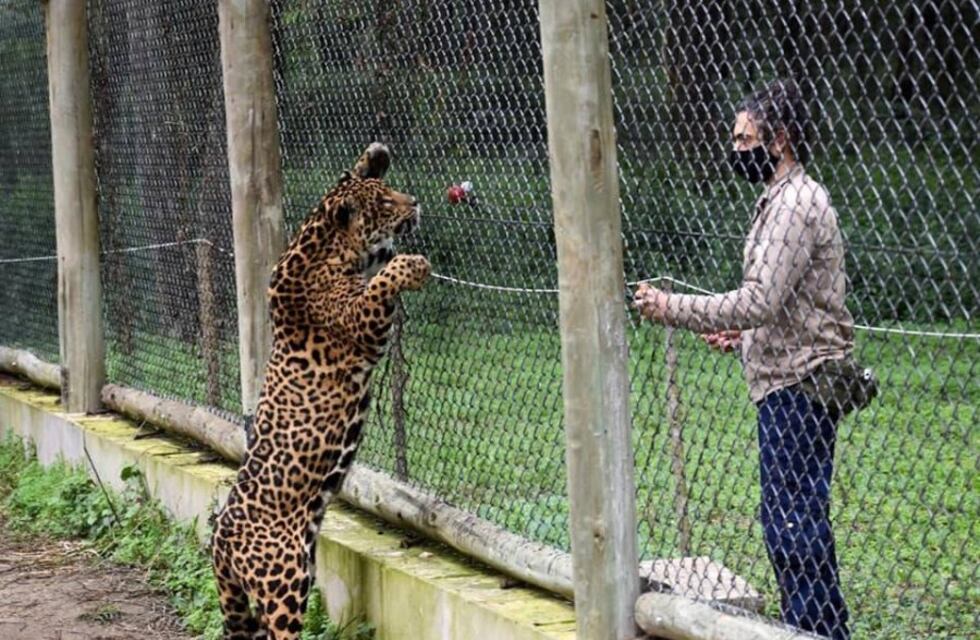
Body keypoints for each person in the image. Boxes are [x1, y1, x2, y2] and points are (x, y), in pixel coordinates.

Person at [634, 79, 852, 640]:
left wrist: (670, 306)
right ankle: (811, 626)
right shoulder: (780, 199)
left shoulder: (795, 204)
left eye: (745, 138)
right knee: (789, 521)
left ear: (779, 139)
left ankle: (817, 631)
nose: (736, 149)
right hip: (786, 378)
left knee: (792, 524)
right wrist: (744, 334)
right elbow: (780, 302)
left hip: (800, 384)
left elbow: (760, 298)